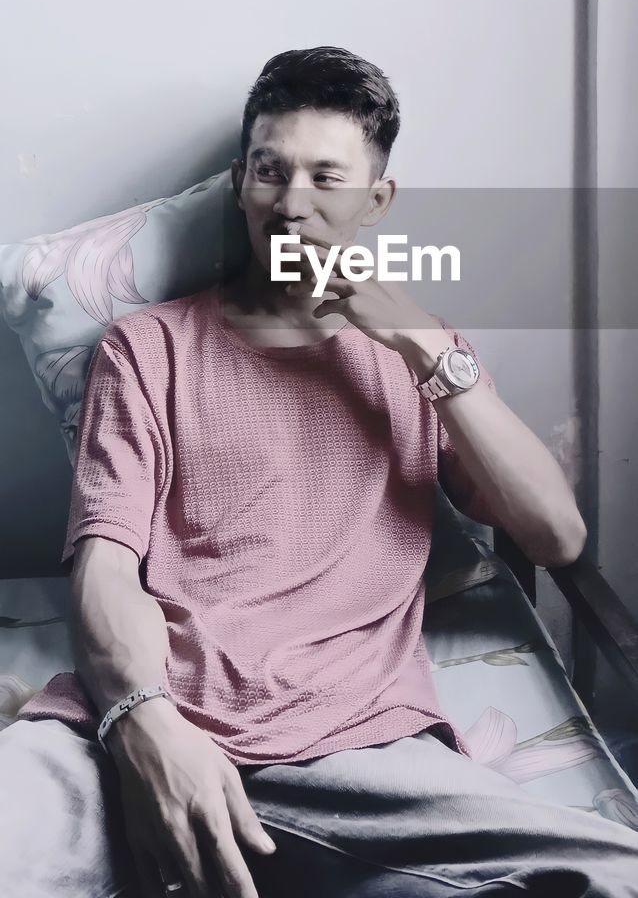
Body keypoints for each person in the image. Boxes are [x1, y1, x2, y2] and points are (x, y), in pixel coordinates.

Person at [1, 47, 637, 898]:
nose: (293, 203)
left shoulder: (424, 357)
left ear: (375, 201)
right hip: (137, 725)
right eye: (270, 170)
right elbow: (106, 564)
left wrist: (418, 343)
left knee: (611, 873)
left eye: (325, 178)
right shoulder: (148, 347)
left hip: (354, 748)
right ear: (240, 183)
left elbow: (556, 535)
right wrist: (142, 718)